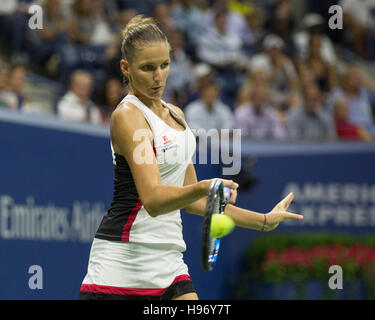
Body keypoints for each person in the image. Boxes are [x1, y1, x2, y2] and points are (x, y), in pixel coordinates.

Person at [78, 15, 303, 301]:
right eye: (147, 68)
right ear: (126, 68)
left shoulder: (177, 116)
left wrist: (263, 220)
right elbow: (154, 200)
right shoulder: (128, 117)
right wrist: (203, 186)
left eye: (164, 65)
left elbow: (197, 201)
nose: (158, 76)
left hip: (170, 264)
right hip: (120, 266)